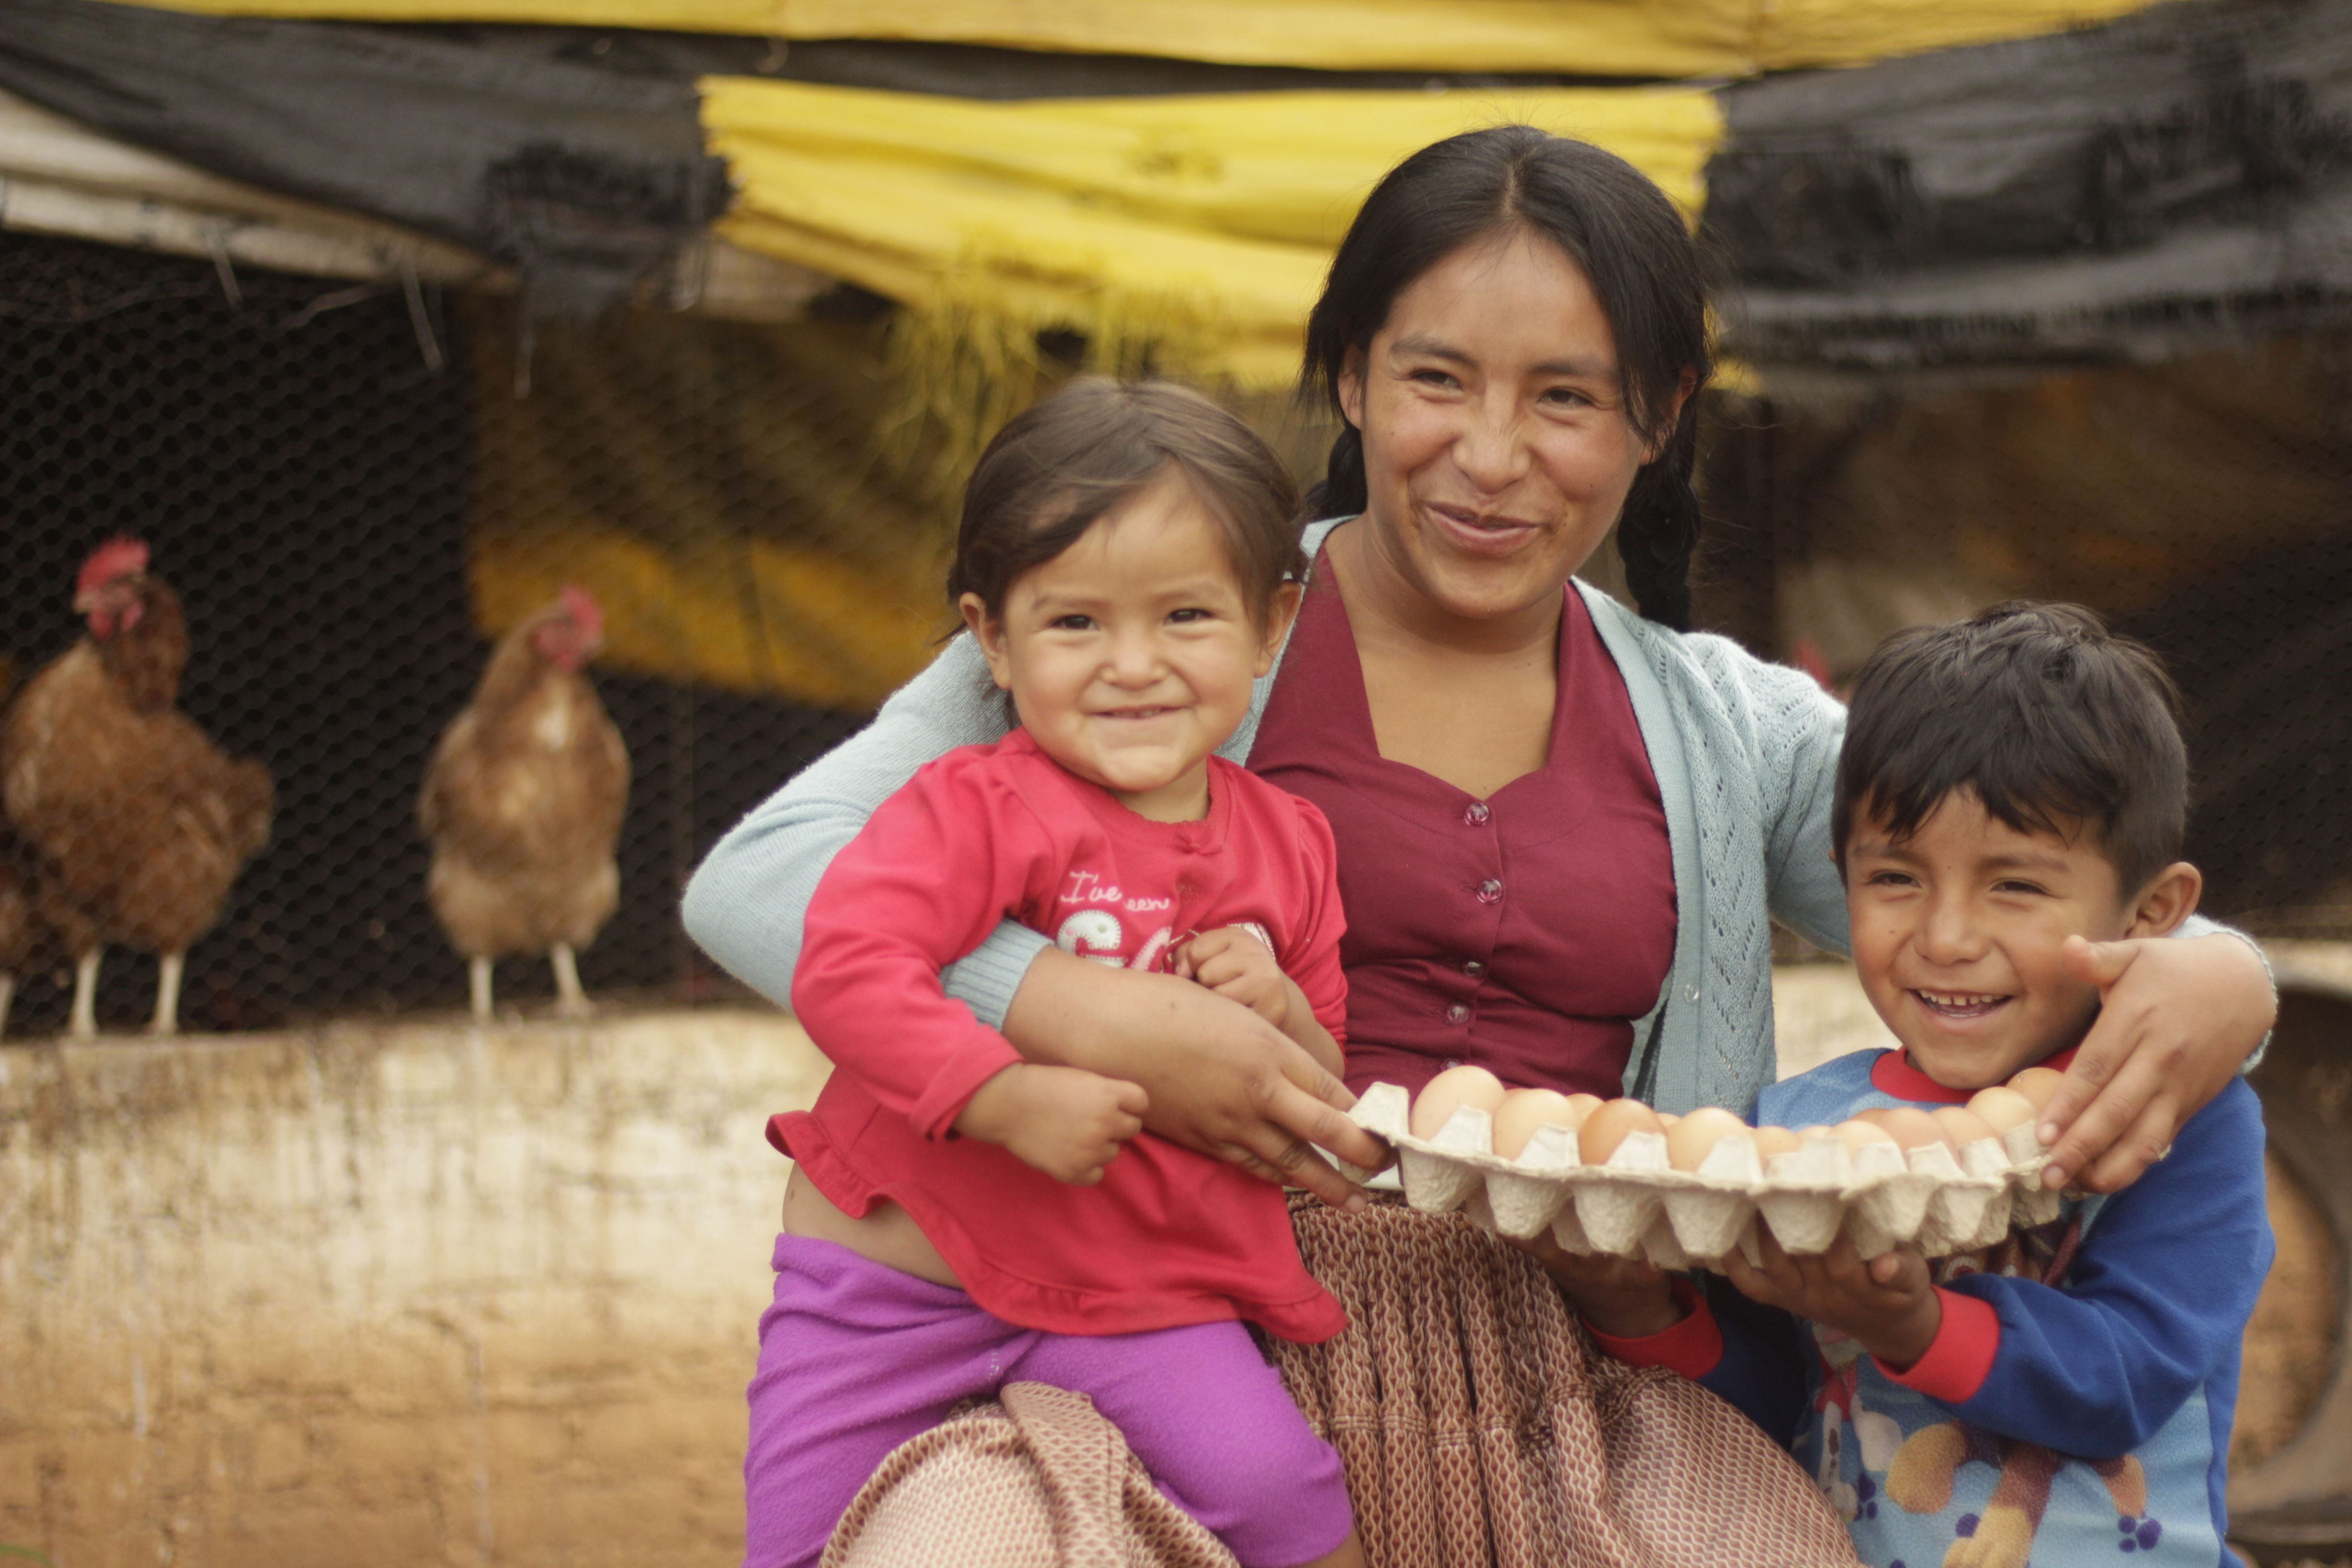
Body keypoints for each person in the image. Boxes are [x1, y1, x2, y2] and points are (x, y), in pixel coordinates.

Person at [688, 126, 2276, 1559]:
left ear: (1657, 418)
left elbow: (2017, 845)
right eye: (1437, 379)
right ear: (1353, 381)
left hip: (1580, 1354)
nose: (1492, 454)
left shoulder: (1725, 729)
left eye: (1566, 397)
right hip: (1164, 1318)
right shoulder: (1169, 624)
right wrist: (1099, 1014)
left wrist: (2216, 971)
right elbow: (761, 872)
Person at [749, 378, 1367, 1568]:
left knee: (1288, 1496)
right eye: (1075, 623)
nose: (1131, 665)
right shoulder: (978, 805)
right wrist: (996, 1094)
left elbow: (1322, 1088)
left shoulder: (1290, 846)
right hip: (888, 1296)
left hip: (1143, 1300)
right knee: (793, 1542)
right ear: (992, 637)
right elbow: (844, 962)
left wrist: (1280, 1008)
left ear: (1270, 624)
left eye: (1186, 616)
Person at [1571, 603, 2272, 1568]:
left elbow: (2130, 1376)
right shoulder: (1798, 1130)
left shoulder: (2169, 1115)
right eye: (1895, 877)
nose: (1944, 936)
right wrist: (1642, 1311)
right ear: (1839, 874)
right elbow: (1775, 1411)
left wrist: (1911, 1322)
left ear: (2151, 911)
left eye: (2014, 887)